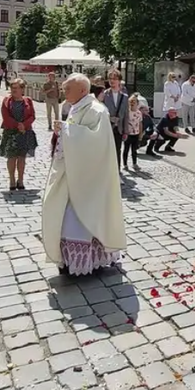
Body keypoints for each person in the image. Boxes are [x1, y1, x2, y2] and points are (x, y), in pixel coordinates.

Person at [42, 74, 124, 277]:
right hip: (73, 175)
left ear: (82, 90)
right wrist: (63, 130)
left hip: (90, 180)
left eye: (67, 89)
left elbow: (95, 142)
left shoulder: (97, 110)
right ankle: (69, 261)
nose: (64, 92)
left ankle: (85, 262)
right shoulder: (77, 107)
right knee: (66, 217)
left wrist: (67, 129)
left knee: (78, 220)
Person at [0, 78, 37, 191]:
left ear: (22, 89)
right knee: (11, 157)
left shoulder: (28, 100)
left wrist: (24, 125)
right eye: (12, 88)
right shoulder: (7, 100)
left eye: (16, 88)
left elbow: (32, 116)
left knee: (22, 158)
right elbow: (5, 116)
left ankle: (20, 180)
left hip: (25, 132)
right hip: (11, 132)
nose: (13, 90)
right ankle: (12, 179)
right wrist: (18, 125)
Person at [101, 70, 128, 163]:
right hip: (107, 127)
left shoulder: (124, 96)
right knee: (106, 150)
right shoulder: (104, 94)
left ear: (119, 80)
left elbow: (126, 114)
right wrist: (109, 118)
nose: (112, 81)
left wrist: (126, 131)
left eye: (115, 78)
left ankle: (117, 171)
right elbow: (99, 112)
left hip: (119, 128)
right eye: (110, 78)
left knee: (118, 149)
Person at [121, 93, 144, 172]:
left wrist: (140, 134)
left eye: (134, 103)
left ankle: (134, 163)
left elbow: (140, 123)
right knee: (126, 149)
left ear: (137, 104)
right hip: (128, 133)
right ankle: (125, 164)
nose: (133, 104)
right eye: (131, 102)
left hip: (136, 133)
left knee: (134, 150)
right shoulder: (127, 112)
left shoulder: (139, 113)